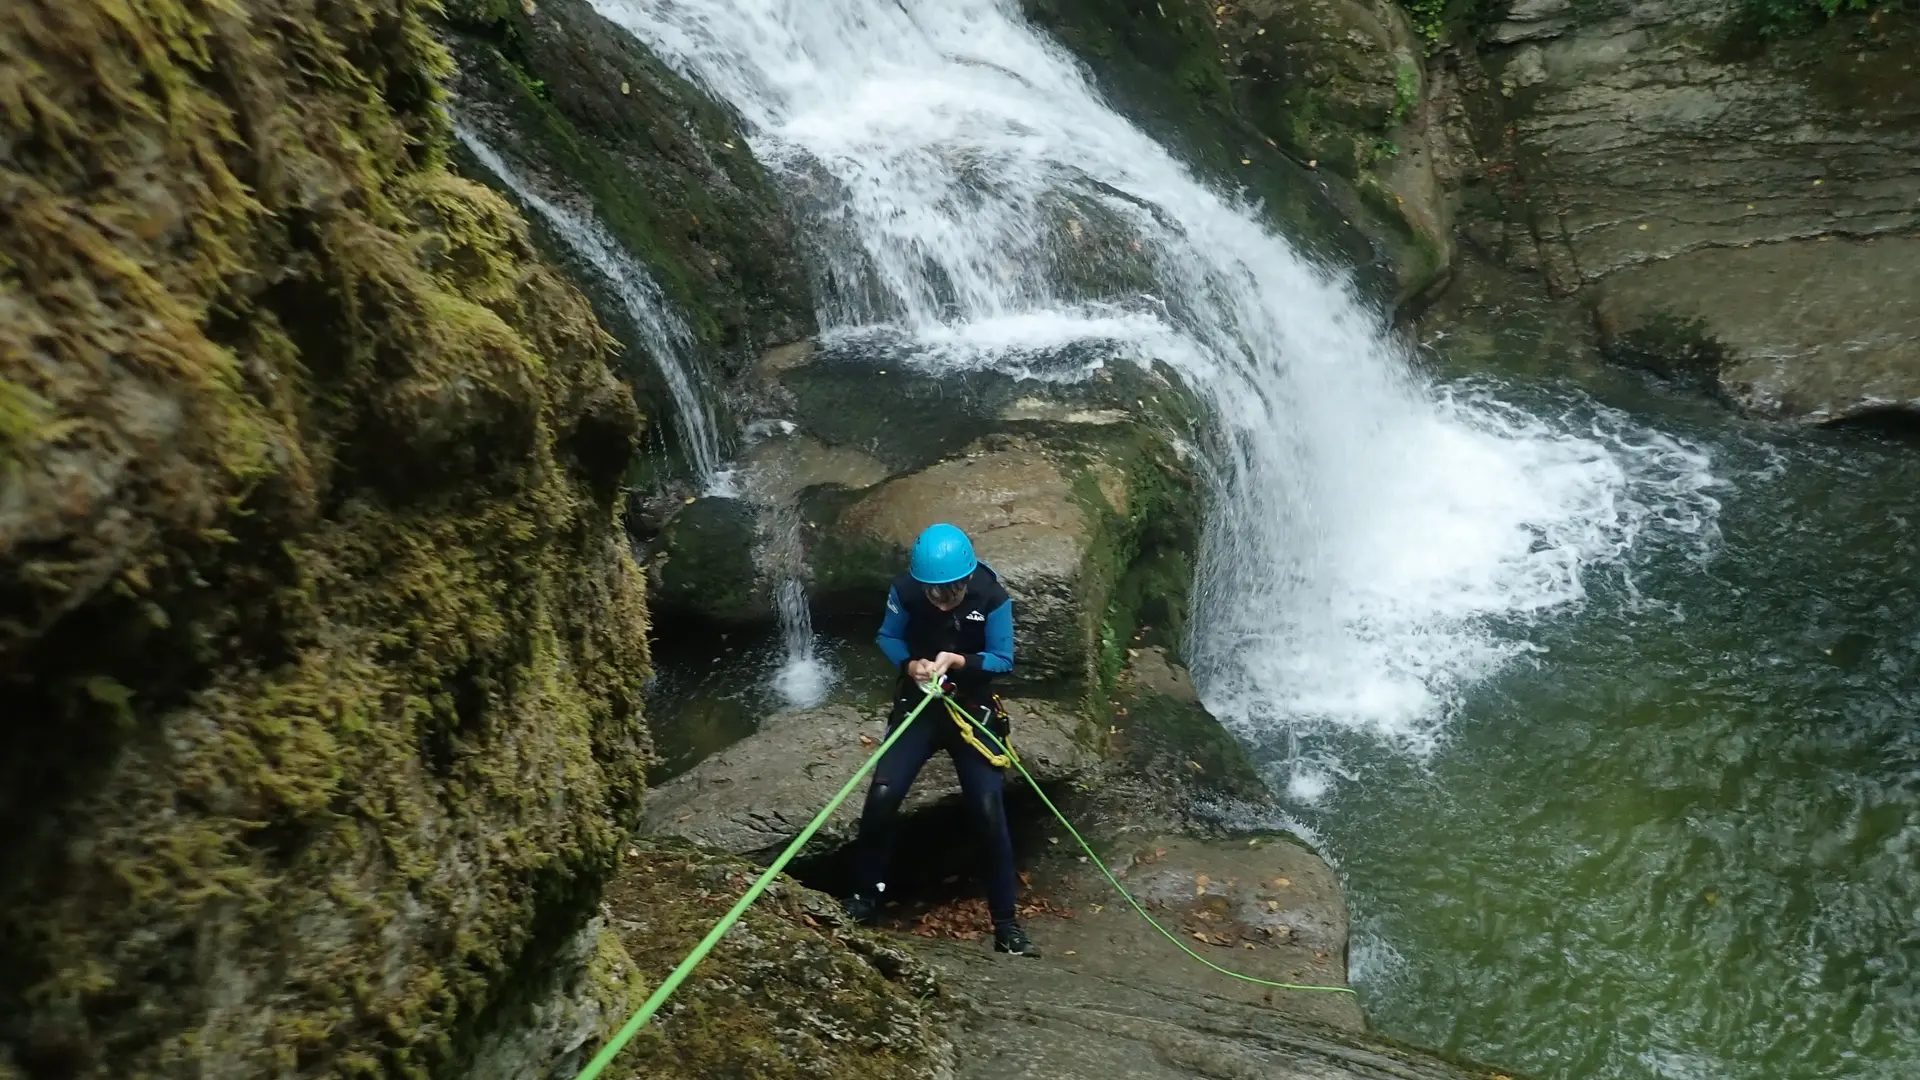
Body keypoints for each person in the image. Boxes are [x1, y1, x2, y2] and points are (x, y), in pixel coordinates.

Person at [841, 523, 1038, 956]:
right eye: (933, 592)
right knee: (882, 795)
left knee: (988, 808)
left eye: (950, 592)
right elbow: (888, 636)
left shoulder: (991, 596)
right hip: (919, 706)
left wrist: (960, 661)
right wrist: (911, 665)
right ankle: (864, 898)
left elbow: (1003, 660)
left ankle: (1006, 924)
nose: (941, 600)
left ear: (966, 580)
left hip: (969, 707)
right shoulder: (905, 590)